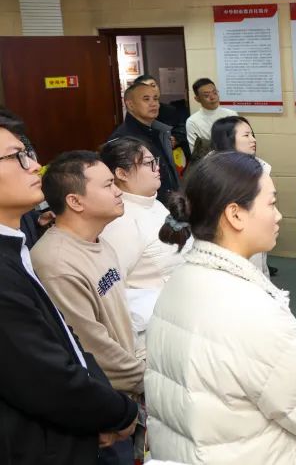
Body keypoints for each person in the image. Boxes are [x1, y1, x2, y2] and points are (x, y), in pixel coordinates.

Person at [146, 151, 296, 464]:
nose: (278, 216)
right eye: (271, 203)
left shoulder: (180, 280)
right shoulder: (250, 309)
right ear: (235, 214)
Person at [0, 111, 139, 464]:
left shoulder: (17, 246)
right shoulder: (42, 261)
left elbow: (68, 342)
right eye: (17, 157)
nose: (35, 166)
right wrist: (120, 412)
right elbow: (45, 376)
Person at [32, 151, 145, 463]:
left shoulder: (99, 242)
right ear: (75, 201)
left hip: (126, 396)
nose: (119, 191)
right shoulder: (56, 263)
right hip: (102, 410)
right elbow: (92, 348)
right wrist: (150, 380)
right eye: (108, 185)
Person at [99, 137, 188, 348]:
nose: (157, 168)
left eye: (156, 161)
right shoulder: (120, 221)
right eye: (148, 163)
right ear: (122, 174)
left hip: (181, 311)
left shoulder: (154, 204)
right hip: (153, 329)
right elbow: (114, 292)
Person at [210, 116, 275, 277]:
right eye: (246, 135)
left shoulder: (259, 168)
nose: (253, 140)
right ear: (228, 139)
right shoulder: (213, 174)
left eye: (252, 134)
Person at [110, 81, 180, 202]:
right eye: (146, 99)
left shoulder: (160, 131)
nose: (154, 104)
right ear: (130, 104)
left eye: (156, 99)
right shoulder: (123, 139)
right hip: (145, 205)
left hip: (168, 202)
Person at [185, 78, 237, 154]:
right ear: (197, 99)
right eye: (206, 95)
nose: (212, 97)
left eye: (215, 93)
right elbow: (196, 152)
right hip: (210, 160)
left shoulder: (231, 114)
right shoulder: (192, 121)